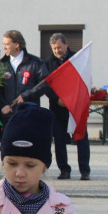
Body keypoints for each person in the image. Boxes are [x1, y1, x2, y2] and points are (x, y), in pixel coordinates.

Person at [34, 33, 90, 180]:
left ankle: (85, 170)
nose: (57, 50)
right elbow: (46, 84)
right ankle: (64, 170)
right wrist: (57, 99)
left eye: (59, 47)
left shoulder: (78, 59)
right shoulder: (47, 64)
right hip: (58, 107)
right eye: (54, 48)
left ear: (66, 44)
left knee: (81, 138)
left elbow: (83, 79)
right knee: (59, 139)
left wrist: (74, 98)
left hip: (76, 106)